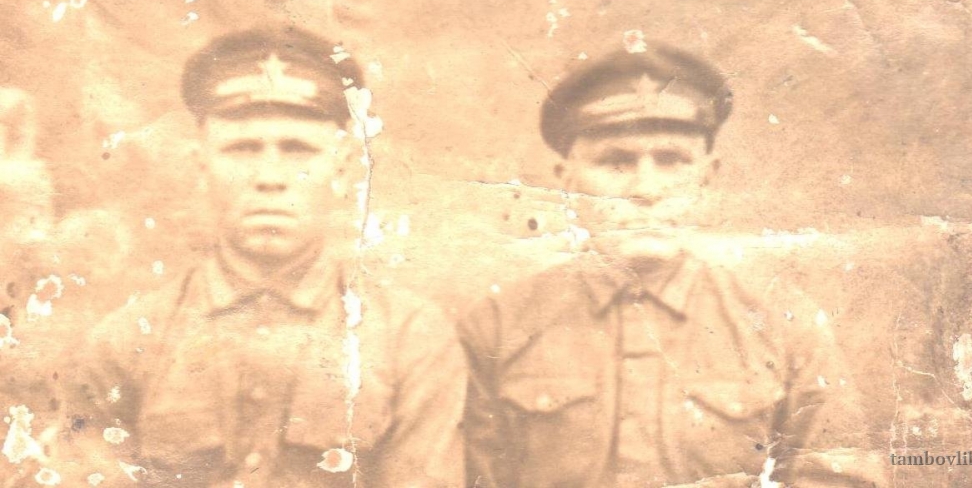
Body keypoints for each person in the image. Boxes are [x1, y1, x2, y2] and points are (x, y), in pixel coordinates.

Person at [458, 42, 884, 487]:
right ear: (566, 182)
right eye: (616, 162)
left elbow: (838, 478)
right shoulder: (498, 327)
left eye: (671, 161)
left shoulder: (782, 325)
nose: (646, 189)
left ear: (706, 179)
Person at [64, 27, 465, 487]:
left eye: (297, 150)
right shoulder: (125, 343)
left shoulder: (408, 339)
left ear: (340, 168)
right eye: (243, 149)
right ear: (201, 167)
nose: (269, 177)